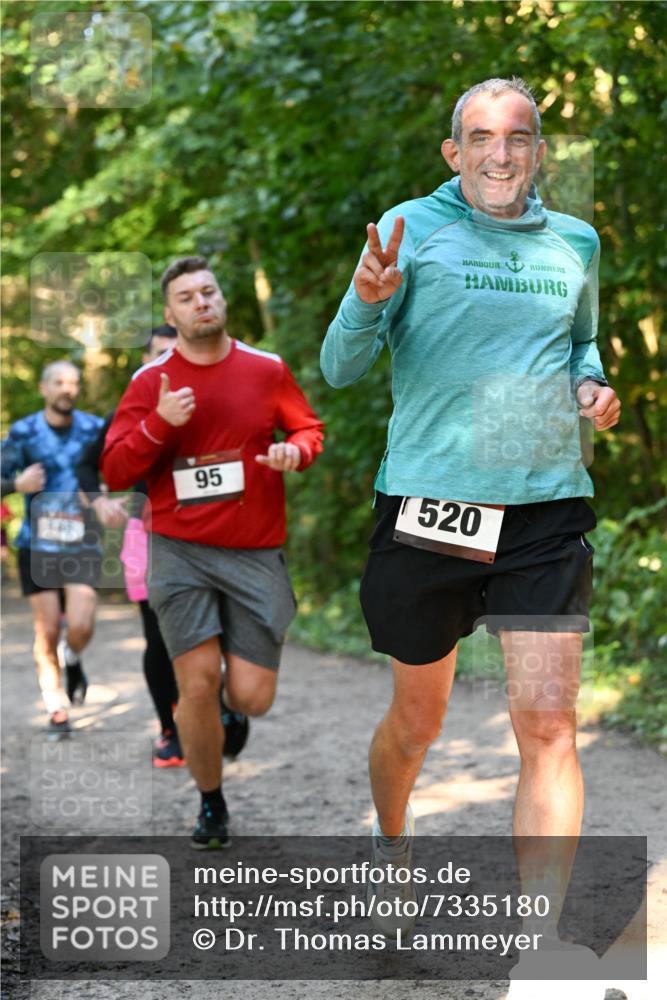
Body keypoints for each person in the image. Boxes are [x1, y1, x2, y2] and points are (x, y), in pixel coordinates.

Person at [321, 76, 621, 977]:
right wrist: (369, 298)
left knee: (549, 726)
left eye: (517, 137)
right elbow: (340, 367)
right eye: (481, 138)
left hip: (543, 505)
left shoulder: (575, 241)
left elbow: (580, 344)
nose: (500, 154)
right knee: (418, 720)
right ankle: (391, 841)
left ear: (538, 152)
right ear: (454, 153)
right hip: (432, 504)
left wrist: (589, 387)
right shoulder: (410, 228)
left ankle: (544, 947)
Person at [101, 256, 324, 848]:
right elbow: (116, 467)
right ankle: (211, 802)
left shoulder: (266, 369)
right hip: (179, 551)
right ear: (171, 314)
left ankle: (233, 709)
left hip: (254, 551)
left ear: (223, 300)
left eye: (209, 291)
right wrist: (159, 425)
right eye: (186, 297)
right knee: (194, 683)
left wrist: (293, 453)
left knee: (252, 695)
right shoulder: (151, 384)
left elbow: (308, 429)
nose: (201, 302)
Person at [1, 361, 125, 736]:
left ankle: (73, 656)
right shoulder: (23, 433)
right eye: (58, 382)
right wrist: (16, 483)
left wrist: (104, 491)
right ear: (44, 388)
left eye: (72, 383)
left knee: (82, 625)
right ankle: (57, 708)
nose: (66, 389)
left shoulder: (93, 428)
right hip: (36, 545)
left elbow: (117, 467)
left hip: (82, 542)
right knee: (48, 630)